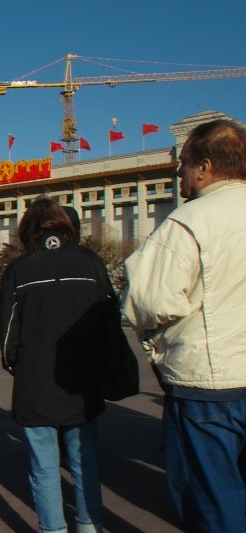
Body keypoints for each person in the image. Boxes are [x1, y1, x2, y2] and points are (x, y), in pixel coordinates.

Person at [123, 119, 246, 531]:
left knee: (211, 494)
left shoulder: (188, 222)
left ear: (206, 167)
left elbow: (148, 301)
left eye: (184, 167)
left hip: (209, 382)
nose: (180, 176)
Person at [0, 195, 109, 533]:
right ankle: (89, 526)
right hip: (83, 381)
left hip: (36, 384)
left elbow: (7, 335)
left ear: (28, 230)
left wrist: (18, 366)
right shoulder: (90, 262)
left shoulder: (19, 269)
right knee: (84, 461)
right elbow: (109, 316)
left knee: (44, 467)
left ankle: (53, 529)